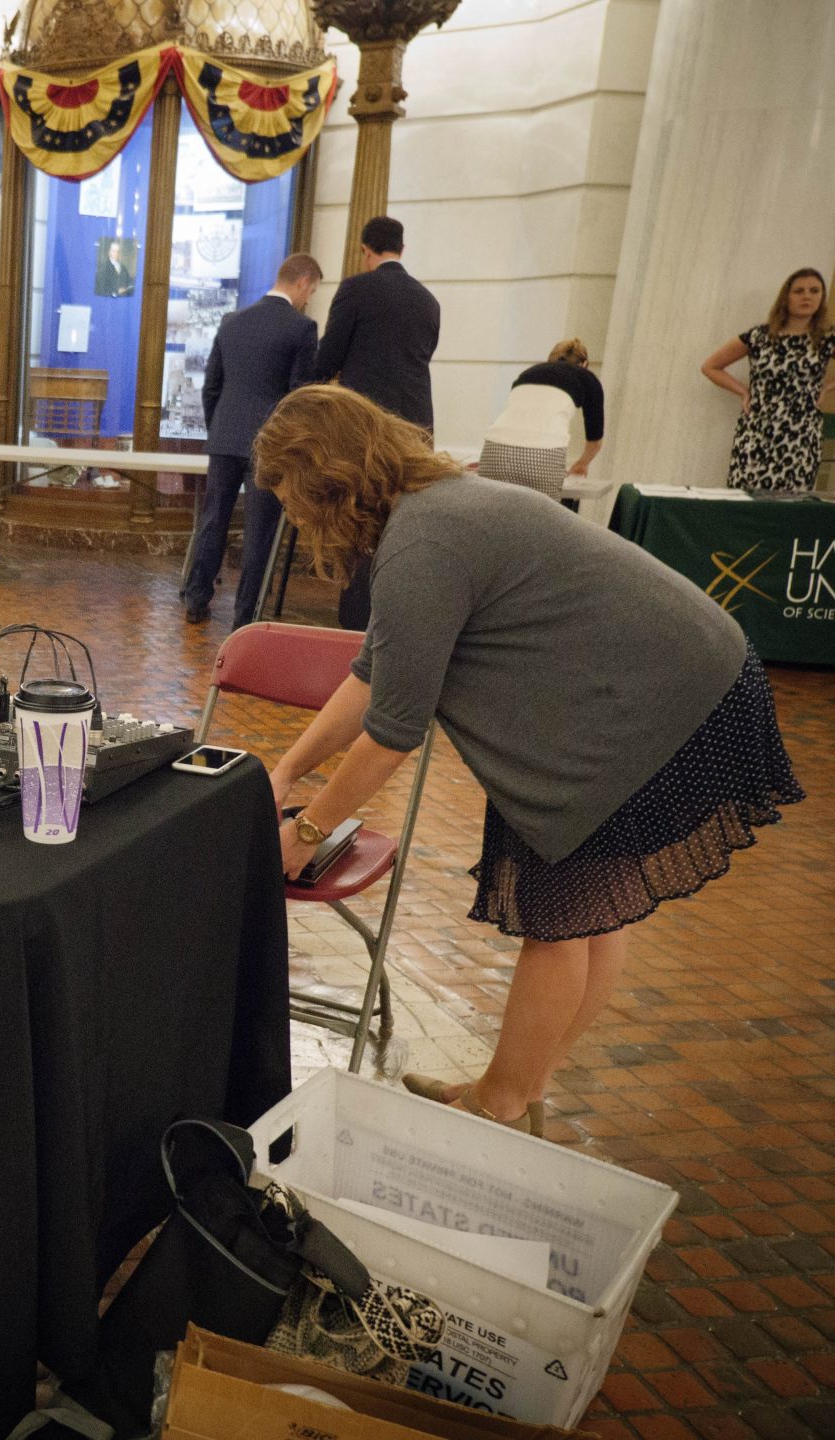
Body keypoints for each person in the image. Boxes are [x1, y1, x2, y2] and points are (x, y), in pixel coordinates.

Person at [253, 385, 801, 1133]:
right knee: (596, 918)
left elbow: (394, 730)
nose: (292, 515)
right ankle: (519, 1084)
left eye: (289, 495)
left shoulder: (423, 540)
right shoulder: (433, 511)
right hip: (679, 683)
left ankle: (498, 1107)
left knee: (561, 925)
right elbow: (376, 671)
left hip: (651, 706)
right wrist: (288, 770)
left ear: (327, 478)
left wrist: (308, 830)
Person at [310, 216, 441, 629]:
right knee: (402, 523)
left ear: (366, 251)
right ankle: (394, 620)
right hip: (417, 431)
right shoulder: (428, 300)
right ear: (402, 249)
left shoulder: (355, 289)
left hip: (364, 429)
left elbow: (328, 357)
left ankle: (355, 627)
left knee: (359, 521)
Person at [180, 252, 322, 628]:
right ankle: (246, 616)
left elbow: (211, 388)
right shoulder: (302, 328)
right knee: (260, 531)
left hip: (225, 439)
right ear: (304, 282)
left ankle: (196, 600)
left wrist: (220, 430)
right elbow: (298, 397)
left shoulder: (231, 321)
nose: (309, 299)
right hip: (270, 445)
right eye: (312, 291)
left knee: (213, 520)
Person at [702, 266, 835, 494]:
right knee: (743, 502)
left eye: (814, 291)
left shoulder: (826, 338)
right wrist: (744, 392)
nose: (807, 296)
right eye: (799, 291)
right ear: (786, 296)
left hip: (800, 437)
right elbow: (710, 366)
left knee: (788, 511)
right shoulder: (760, 336)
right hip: (757, 432)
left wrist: (827, 388)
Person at [476, 338, 605, 502]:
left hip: (494, 451)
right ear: (584, 363)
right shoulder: (587, 377)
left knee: (490, 516)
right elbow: (595, 440)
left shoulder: (528, 373)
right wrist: (582, 463)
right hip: (542, 456)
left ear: (551, 360)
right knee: (542, 522)